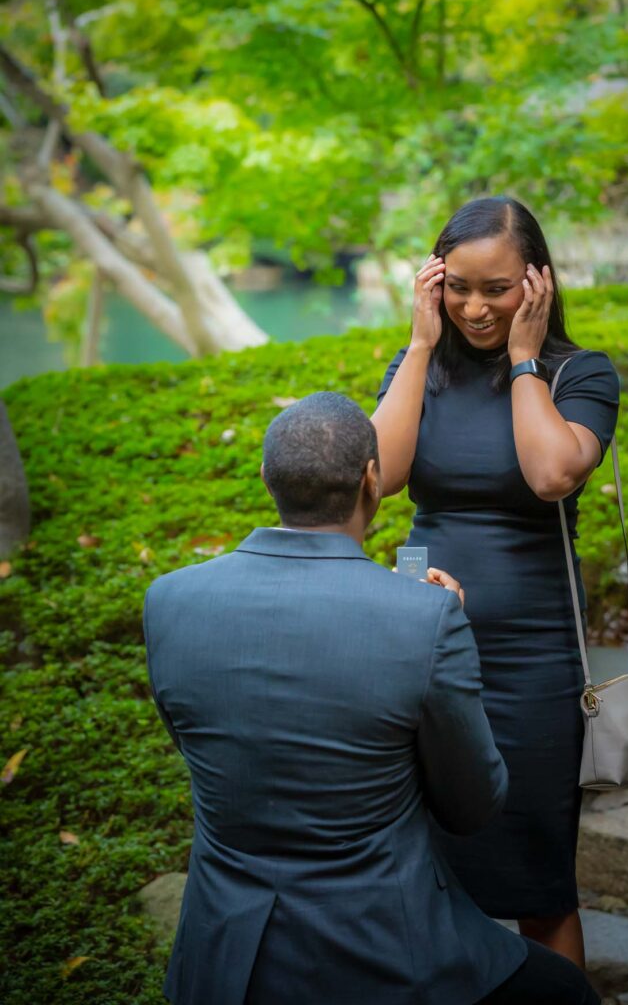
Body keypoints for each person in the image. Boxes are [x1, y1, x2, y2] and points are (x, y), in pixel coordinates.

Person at [144, 391, 600, 1005]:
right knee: (565, 990)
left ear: (266, 478)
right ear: (371, 479)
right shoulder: (425, 618)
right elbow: (473, 805)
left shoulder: (169, 599)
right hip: (387, 952)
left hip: (226, 953)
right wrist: (440, 638)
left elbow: (199, 742)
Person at [372, 196, 620, 969]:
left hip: (534, 658)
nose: (475, 308)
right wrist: (419, 346)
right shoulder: (421, 370)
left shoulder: (580, 374)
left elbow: (552, 474)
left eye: (497, 289)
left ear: (538, 285)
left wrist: (522, 361)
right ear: (433, 282)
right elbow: (381, 477)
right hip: (428, 645)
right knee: (426, 871)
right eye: (459, 288)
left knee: (540, 879)